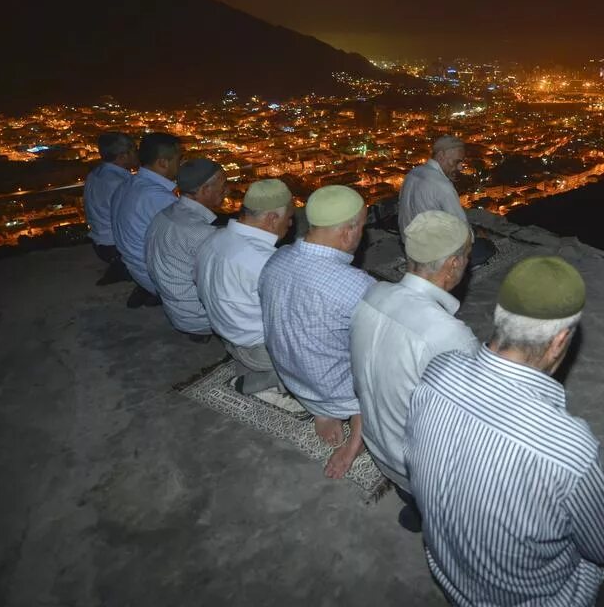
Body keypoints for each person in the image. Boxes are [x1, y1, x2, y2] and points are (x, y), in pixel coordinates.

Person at [405, 256, 604, 607]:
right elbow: (603, 546)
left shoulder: (437, 373)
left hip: (448, 575)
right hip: (531, 599)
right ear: (559, 341)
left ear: (500, 317)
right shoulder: (568, 445)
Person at [350, 210, 477, 531]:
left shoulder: (372, 293)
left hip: (377, 446)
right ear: (453, 263)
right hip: (415, 468)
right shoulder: (448, 334)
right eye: (466, 257)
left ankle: (415, 506)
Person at [260, 185, 373, 479]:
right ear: (348, 232)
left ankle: (322, 411)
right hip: (336, 388)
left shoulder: (276, 259)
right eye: (362, 226)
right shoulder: (357, 285)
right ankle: (355, 443)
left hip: (294, 379)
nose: (363, 234)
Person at [194, 179, 292, 395]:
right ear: (272, 218)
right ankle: (270, 377)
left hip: (226, 336)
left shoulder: (213, 238)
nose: (291, 224)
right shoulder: (265, 261)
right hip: (256, 349)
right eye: (289, 217)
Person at [145, 159, 226, 342]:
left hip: (175, 309)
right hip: (197, 317)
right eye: (222, 186)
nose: (226, 191)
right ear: (205, 190)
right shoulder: (201, 232)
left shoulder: (164, 214)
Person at [398, 136, 495, 268]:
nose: (460, 167)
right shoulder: (442, 185)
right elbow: (463, 232)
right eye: (456, 162)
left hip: (409, 247)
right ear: (441, 155)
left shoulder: (412, 174)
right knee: (486, 247)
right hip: (431, 256)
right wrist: (478, 236)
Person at [110, 132, 181, 308]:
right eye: (179, 159)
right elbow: (184, 243)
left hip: (136, 270)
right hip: (157, 278)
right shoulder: (158, 197)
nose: (182, 164)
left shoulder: (127, 184)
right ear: (163, 162)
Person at [83, 132, 136, 284]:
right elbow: (132, 222)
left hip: (100, 244)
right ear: (122, 156)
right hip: (116, 247)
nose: (137, 154)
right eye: (133, 150)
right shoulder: (121, 182)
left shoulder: (95, 174)